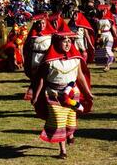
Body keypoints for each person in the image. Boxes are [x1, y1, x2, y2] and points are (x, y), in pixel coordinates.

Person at [31, 31, 93, 159]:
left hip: (72, 94)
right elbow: (41, 79)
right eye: (64, 41)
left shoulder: (75, 59)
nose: (67, 44)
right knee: (59, 123)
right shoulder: (49, 61)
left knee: (70, 122)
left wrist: (88, 92)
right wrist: (36, 95)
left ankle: (70, 134)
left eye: (69, 41)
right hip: (54, 94)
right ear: (57, 42)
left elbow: (80, 76)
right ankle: (62, 151)